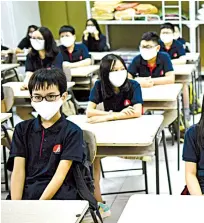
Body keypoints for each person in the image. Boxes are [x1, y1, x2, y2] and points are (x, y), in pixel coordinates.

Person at [9, 68, 85, 201]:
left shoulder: (73, 132)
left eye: (50, 96)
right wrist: (17, 205)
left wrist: (40, 205)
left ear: (63, 97)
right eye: (37, 97)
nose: (44, 101)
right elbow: (18, 172)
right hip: (28, 192)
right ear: (31, 97)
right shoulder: (21, 129)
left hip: (59, 195)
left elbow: (60, 175)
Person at [85, 54, 143, 218]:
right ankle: (98, 202)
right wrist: (115, 114)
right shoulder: (99, 86)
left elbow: (137, 112)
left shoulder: (133, 85)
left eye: (121, 69)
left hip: (131, 131)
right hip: (108, 130)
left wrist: (106, 116)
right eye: (114, 70)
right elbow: (89, 112)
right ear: (105, 73)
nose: (119, 72)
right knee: (92, 157)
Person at [18, 27, 63, 121]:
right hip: (36, 91)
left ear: (47, 39)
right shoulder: (31, 55)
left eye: (39, 38)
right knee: (21, 110)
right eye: (33, 38)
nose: (35, 41)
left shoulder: (56, 54)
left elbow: (54, 75)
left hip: (52, 89)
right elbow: (29, 73)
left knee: (49, 112)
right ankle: (39, 126)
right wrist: (26, 83)